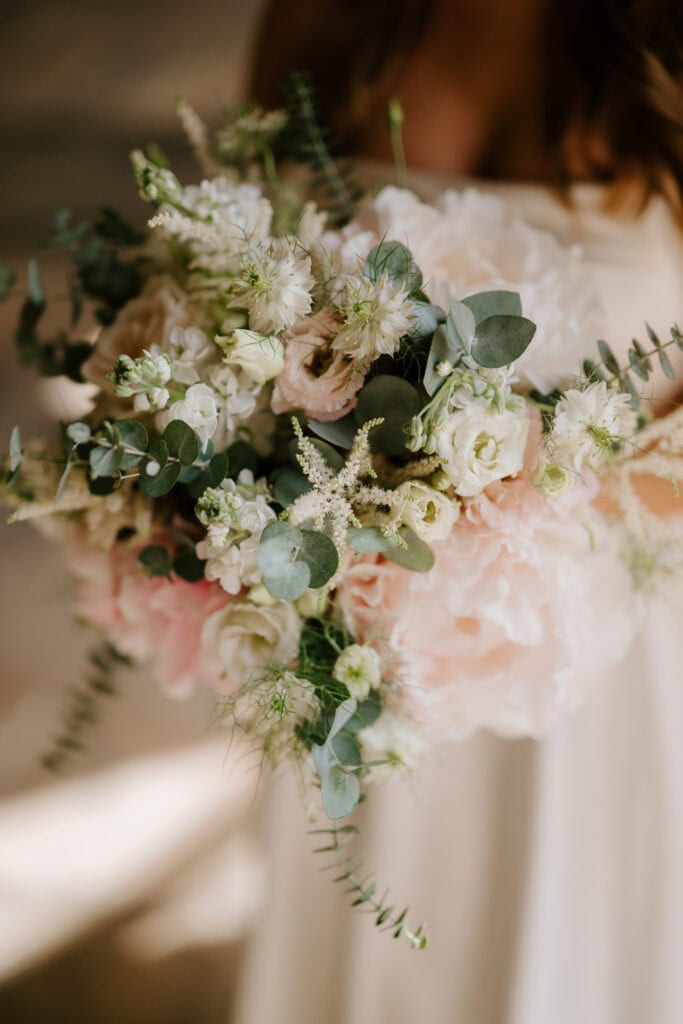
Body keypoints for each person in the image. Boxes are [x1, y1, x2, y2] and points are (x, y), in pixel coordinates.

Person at [234, 2, 683, 1021]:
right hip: (360, 663)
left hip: (600, 673)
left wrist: (523, 482)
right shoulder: (319, 21)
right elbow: (238, 293)